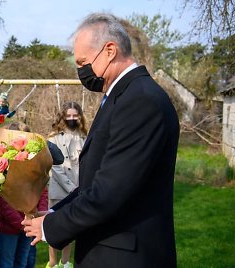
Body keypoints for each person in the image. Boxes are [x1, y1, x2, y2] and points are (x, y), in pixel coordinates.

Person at [22, 13, 179, 268]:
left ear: (109, 50)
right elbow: (94, 182)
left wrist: (51, 227)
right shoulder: (122, 96)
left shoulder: (139, 101)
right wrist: (54, 213)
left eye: (83, 62)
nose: (82, 71)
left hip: (125, 256)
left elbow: (110, 191)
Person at [0, 122, 63, 268]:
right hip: (10, 227)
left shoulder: (34, 166)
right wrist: (21, 224)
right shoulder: (0, 167)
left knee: (24, 261)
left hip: (31, 222)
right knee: (6, 262)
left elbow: (42, 191)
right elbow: (4, 201)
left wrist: (37, 215)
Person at [46, 101, 87, 268]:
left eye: (74, 115)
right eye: (68, 115)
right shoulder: (53, 138)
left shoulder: (84, 137)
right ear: (63, 117)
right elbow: (55, 167)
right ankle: (53, 262)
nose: (71, 118)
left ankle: (66, 262)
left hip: (79, 187)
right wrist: (72, 189)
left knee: (71, 226)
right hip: (60, 188)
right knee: (54, 225)